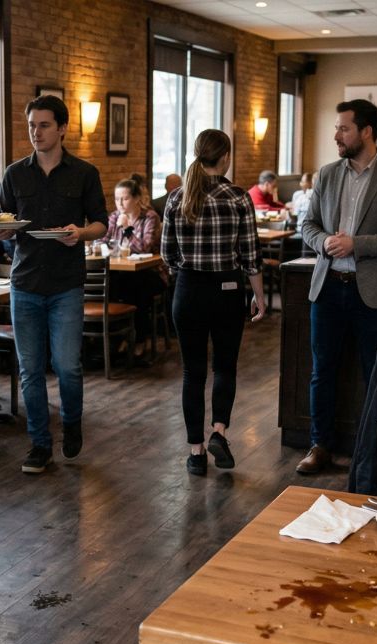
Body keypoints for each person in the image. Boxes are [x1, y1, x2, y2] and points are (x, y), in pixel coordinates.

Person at [0, 94, 108, 474]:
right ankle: (40, 444)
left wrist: (80, 232)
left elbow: (101, 224)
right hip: (24, 282)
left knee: (68, 366)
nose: (35, 132)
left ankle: (72, 423)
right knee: (30, 369)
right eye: (31, 125)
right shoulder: (14, 174)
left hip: (66, 284)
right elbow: (5, 222)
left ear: (62, 128)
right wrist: (2, 231)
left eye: (43, 125)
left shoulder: (84, 173)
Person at [161, 128, 266, 476]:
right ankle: (219, 430)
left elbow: (167, 255)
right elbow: (250, 257)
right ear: (225, 157)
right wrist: (260, 297)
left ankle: (196, 452)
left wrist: (190, 271)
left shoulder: (176, 198)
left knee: (192, 372)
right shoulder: (238, 197)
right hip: (228, 292)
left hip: (188, 291)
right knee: (225, 367)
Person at [296, 98, 377, 475]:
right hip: (327, 288)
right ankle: (320, 446)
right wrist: (324, 241)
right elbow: (308, 224)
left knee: (374, 374)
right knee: (322, 370)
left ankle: (372, 454)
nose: (336, 135)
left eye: (343, 128)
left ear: (366, 131)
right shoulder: (328, 174)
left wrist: (356, 245)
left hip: (373, 293)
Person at [106, 178, 163, 361]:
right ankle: (118, 337)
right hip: (120, 272)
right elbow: (101, 240)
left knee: (135, 285)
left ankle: (138, 339)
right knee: (112, 284)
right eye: (117, 199)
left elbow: (145, 247)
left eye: (125, 199)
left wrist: (127, 229)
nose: (120, 204)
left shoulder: (150, 217)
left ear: (137, 198)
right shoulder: (114, 216)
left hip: (151, 273)